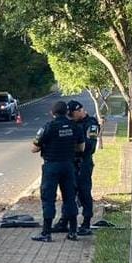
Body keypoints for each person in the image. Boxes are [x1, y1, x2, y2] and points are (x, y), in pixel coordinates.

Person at [31, 101, 85, 242]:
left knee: (48, 198)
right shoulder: (75, 127)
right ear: (67, 112)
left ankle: (47, 233)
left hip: (51, 167)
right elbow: (81, 148)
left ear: (52, 112)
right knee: (69, 198)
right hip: (68, 166)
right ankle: (73, 232)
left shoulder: (48, 127)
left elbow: (34, 148)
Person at [52, 100, 101, 235]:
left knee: (84, 191)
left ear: (79, 111)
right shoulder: (71, 124)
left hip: (83, 163)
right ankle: (64, 220)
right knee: (68, 193)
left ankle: (86, 222)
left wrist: (73, 146)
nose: (70, 118)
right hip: (70, 163)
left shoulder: (91, 124)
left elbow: (89, 147)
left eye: (71, 115)